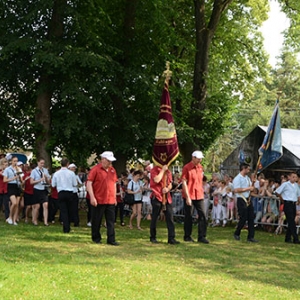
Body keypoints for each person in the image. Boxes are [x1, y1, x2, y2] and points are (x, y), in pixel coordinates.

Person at [86, 151, 119, 246]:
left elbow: (114, 184)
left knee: (111, 221)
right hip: (99, 199)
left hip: (110, 199)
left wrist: (115, 197)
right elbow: (89, 183)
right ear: (103, 160)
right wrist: (92, 197)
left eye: (110, 161)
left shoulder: (113, 170)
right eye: (109, 161)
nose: (110, 163)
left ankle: (111, 239)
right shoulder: (95, 169)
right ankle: (96, 238)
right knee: (96, 220)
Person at [181, 150, 209, 244]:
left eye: (201, 159)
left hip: (199, 194)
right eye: (198, 158)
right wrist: (187, 197)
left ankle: (202, 236)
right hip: (190, 194)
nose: (200, 160)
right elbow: (184, 182)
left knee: (203, 215)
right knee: (189, 216)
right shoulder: (187, 167)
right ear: (193, 158)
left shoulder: (200, 167)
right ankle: (187, 236)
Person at [149, 164, 179, 244]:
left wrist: (168, 188)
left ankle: (171, 238)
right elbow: (156, 180)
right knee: (155, 217)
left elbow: (170, 183)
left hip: (166, 197)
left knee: (170, 217)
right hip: (157, 196)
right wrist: (162, 170)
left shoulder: (168, 171)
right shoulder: (154, 170)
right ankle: (153, 237)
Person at [233, 163, 258, 242]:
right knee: (243, 218)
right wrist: (248, 188)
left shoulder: (247, 178)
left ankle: (250, 236)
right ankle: (237, 233)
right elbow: (236, 190)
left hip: (248, 199)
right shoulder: (237, 178)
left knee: (251, 218)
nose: (249, 170)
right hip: (241, 199)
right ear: (244, 168)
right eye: (248, 169)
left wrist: (253, 183)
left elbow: (252, 189)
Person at [51, 158, 77, 233]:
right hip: (69, 192)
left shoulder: (56, 173)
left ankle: (65, 228)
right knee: (69, 210)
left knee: (63, 211)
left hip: (61, 192)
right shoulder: (71, 173)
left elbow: (53, 184)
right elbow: (74, 184)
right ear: (68, 164)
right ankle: (68, 226)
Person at [275, 172, 300, 244]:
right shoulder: (285, 184)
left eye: (295, 177)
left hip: (293, 204)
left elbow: (298, 194)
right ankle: (295, 238)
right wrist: (282, 199)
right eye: (293, 177)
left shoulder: (296, 186)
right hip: (287, 203)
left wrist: (298, 201)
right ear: (289, 177)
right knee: (291, 221)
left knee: (291, 221)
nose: (294, 178)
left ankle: (288, 237)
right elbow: (277, 192)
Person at [30, 158, 51, 226]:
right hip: (37, 189)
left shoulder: (45, 170)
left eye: (43, 163)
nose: (42, 165)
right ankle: (34, 220)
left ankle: (45, 221)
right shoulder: (34, 171)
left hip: (44, 189)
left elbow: (48, 182)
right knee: (37, 206)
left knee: (45, 205)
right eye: (41, 163)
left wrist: (46, 178)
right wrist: (40, 180)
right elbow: (31, 182)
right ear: (38, 163)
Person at [3, 156, 23, 225]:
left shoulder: (19, 169)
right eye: (14, 161)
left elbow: (21, 180)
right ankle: (10, 217)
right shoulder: (7, 169)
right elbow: (4, 180)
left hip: (17, 186)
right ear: (11, 161)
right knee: (14, 203)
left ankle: (14, 220)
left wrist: (20, 178)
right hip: (11, 186)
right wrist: (13, 178)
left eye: (16, 161)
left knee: (17, 204)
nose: (15, 162)